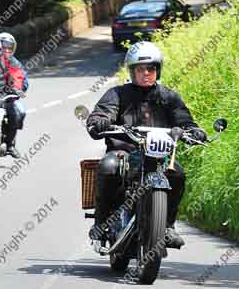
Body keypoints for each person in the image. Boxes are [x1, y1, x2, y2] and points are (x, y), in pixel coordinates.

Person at [85, 41, 207, 249]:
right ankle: (102, 222)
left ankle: (167, 226)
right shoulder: (117, 94)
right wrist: (100, 121)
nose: (146, 73)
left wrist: (193, 130)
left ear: (158, 70)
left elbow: (183, 119)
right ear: (132, 71)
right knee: (109, 166)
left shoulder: (168, 96)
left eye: (151, 68)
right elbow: (103, 112)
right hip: (124, 152)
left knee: (177, 173)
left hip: (158, 157)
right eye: (140, 69)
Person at [0, 32, 29, 132]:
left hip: (8, 98)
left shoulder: (15, 63)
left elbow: (24, 81)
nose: (6, 50)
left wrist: (19, 89)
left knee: (20, 112)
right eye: (3, 47)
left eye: (9, 48)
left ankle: (10, 139)